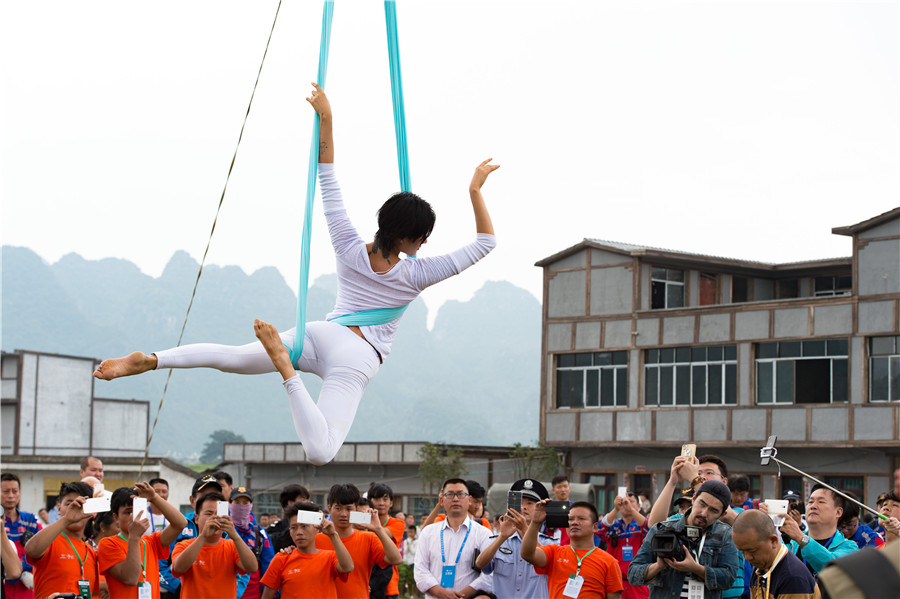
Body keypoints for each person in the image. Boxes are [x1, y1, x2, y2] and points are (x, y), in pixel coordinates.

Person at [92, 83, 499, 467]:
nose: (425, 245)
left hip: (319, 333)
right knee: (320, 451)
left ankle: (153, 359)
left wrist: (327, 118)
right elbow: (485, 244)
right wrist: (475, 191)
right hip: (355, 357)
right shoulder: (417, 274)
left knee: (231, 357)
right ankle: (286, 370)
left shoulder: (348, 246)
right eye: (423, 238)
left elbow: (328, 177)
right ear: (410, 237)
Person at [628, 480, 740, 599]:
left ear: (722, 514)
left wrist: (695, 568)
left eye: (713, 510)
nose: (704, 513)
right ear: (694, 498)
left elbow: (728, 579)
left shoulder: (725, 534)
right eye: (702, 504)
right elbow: (633, 574)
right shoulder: (662, 529)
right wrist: (658, 566)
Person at [97, 483, 188, 599]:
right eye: (128, 512)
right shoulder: (108, 544)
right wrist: (134, 537)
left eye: (138, 510)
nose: (135, 516)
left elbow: (180, 523)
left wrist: (154, 498)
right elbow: (130, 578)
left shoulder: (150, 541)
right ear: (116, 518)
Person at [522, 499, 623, 599]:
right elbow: (527, 554)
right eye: (570, 519)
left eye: (581, 518)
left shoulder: (609, 562)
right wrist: (535, 523)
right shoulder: (554, 552)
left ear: (595, 527)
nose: (574, 522)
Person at [475, 478, 558, 599]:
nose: (523, 507)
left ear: (540, 509)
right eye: (520, 502)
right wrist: (502, 537)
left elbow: (546, 564)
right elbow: (480, 564)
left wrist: (525, 530)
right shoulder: (500, 539)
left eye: (530, 503)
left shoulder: (549, 542)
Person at [315, 483, 402, 598]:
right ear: (330, 509)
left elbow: (395, 559)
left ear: (356, 510)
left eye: (349, 509)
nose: (344, 514)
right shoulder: (315, 540)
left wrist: (378, 529)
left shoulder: (368, 538)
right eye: (338, 508)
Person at [414, 479, 493, 599]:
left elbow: (489, 575)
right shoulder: (428, 533)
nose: (455, 499)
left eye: (461, 494)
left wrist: (461, 596)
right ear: (441, 500)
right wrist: (442, 594)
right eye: (450, 495)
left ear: (469, 500)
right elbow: (420, 571)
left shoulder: (483, 533)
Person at [171, 491, 258, 598]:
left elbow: (252, 567)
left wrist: (235, 536)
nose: (215, 518)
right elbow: (178, 569)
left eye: (219, 514)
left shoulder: (231, 545)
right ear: (197, 519)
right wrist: (203, 536)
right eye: (209, 513)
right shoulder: (184, 546)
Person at [260, 501, 353, 599]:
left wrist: (333, 534)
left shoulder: (330, 558)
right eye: (294, 528)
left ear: (316, 528)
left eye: (304, 526)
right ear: (289, 531)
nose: (299, 532)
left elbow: (348, 567)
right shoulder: (281, 559)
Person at [24, 482, 99, 599]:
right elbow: (31, 550)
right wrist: (66, 519)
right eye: (69, 504)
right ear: (59, 509)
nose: (76, 508)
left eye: (81, 505)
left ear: (91, 511)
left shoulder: (91, 551)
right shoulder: (50, 539)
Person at [766, 484, 857, 577]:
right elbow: (765, 562)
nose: (813, 506)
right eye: (810, 501)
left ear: (838, 512)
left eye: (821, 502)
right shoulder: (791, 544)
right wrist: (762, 521)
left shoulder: (849, 547)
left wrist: (800, 537)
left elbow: (832, 568)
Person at [731, 510, 820, 599]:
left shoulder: (793, 578)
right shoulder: (760, 568)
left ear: (774, 541)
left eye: (753, 551)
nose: (747, 557)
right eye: (742, 551)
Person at [599, 492, 649, 599]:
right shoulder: (614, 526)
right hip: (616, 582)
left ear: (639, 506)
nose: (626, 505)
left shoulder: (641, 526)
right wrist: (615, 510)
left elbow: (649, 529)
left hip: (638, 582)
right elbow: (599, 530)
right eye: (623, 503)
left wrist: (632, 510)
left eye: (631, 502)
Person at [229, 486, 273, 599]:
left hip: (253, 594)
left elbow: (268, 565)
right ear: (230, 505)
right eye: (237, 502)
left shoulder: (259, 533)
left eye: (245, 503)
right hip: (226, 591)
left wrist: (267, 594)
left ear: (251, 506)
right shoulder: (222, 530)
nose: (241, 506)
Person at [3, 472, 41, 598]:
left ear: (20, 492)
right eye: (5, 491)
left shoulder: (31, 520)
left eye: (14, 491)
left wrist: (21, 568)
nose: (11, 496)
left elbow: (42, 550)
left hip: (27, 590)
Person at [367, 483, 405, 599]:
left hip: (389, 586)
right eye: (376, 498)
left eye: (385, 499)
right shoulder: (362, 522)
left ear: (391, 503)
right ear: (369, 501)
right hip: (365, 582)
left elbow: (382, 532)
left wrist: (365, 526)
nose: (381, 503)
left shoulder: (398, 523)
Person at [266, 484, 310, 553]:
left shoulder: (312, 525)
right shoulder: (276, 528)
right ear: (290, 503)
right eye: (303, 500)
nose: (307, 503)